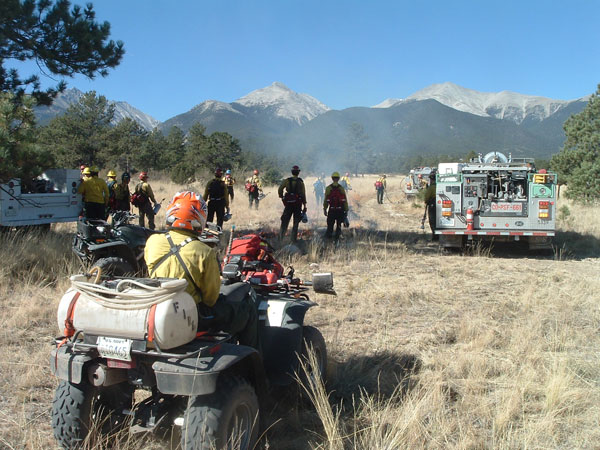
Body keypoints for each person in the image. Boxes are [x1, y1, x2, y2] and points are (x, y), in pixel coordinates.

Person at [144, 191, 258, 348]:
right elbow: (210, 299)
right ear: (200, 218)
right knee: (246, 310)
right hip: (192, 316)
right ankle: (253, 364)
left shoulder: (152, 241)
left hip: (158, 310)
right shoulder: (205, 251)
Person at [278, 165, 307, 242]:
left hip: (288, 204)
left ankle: (280, 238)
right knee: (296, 222)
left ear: (292, 172)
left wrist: (281, 196)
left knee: (285, 221)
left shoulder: (287, 180)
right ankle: (293, 240)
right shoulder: (300, 182)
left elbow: (280, 188)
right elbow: (303, 194)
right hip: (297, 204)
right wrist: (304, 205)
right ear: (298, 173)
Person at [323, 172, 349, 243]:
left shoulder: (328, 188)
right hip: (340, 210)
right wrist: (346, 210)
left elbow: (326, 200)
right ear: (338, 178)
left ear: (332, 178)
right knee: (339, 225)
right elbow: (345, 201)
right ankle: (337, 239)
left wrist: (325, 209)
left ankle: (328, 239)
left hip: (331, 210)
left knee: (330, 225)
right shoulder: (341, 188)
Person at [423, 169, 438, 241]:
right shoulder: (440, 186)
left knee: (432, 220)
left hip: (433, 205)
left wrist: (426, 202)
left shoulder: (431, 188)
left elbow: (426, 198)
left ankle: (435, 236)